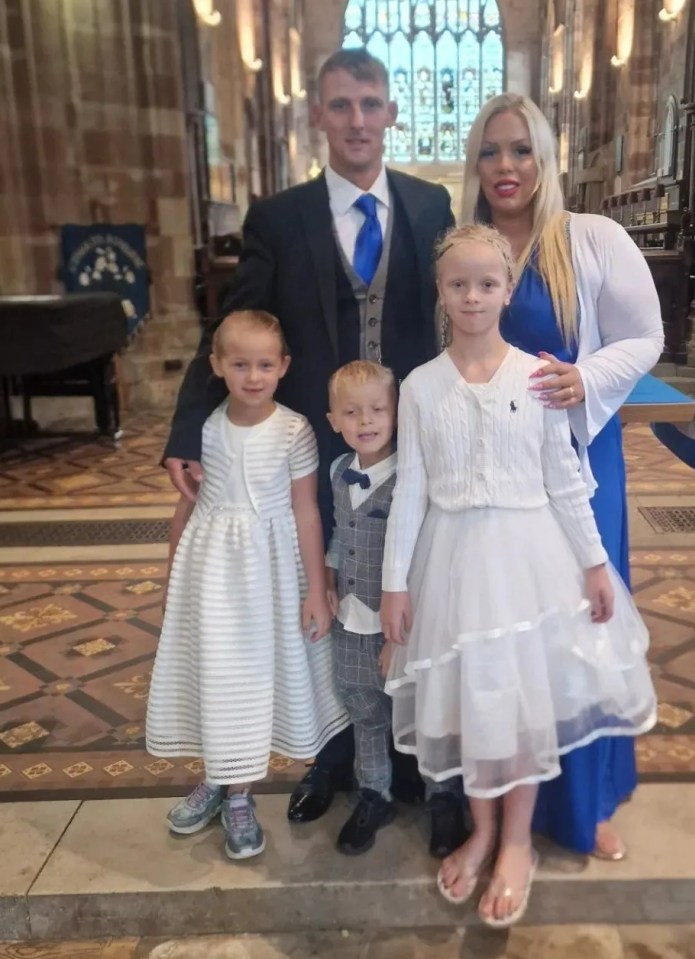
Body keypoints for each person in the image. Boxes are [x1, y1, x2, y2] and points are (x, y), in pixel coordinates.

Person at [161, 48, 464, 846]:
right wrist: (187, 428)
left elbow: (456, 316)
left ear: (390, 111)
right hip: (320, 454)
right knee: (322, 603)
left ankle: (409, 757)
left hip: (410, 450)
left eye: (369, 103)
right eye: (340, 105)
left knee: (404, 595)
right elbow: (230, 327)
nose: (357, 119)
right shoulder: (279, 216)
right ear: (318, 116)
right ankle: (333, 753)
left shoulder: (431, 205)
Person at [380, 224, 656, 927]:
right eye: (457, 283)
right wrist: (394, 583)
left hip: (529, 561)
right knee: (476, 707)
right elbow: (409, 489)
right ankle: (479, 829)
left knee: (524, 707)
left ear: (507, 290)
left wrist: (595, 563)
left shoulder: (536, 376)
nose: (472, 295)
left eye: (486, 282)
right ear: (439, 293)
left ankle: (514, 843)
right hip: (450, 563)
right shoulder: (417, 386)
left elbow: (566, 481)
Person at [460, 93, 665, 859]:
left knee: (581, 621)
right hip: (491, 478)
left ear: (546, 159)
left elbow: (645, 334)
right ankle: (494, 807)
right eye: (490, 152)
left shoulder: (588, 237)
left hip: (578, 462)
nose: (506, 167)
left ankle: (587, 799)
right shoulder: (465, 247)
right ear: (474, 165)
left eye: (520, 151)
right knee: (500, 624)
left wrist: (585, 376)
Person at [145, 310, 349, 860]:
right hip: (211, 577)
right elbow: (182, 513)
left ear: (283, 366)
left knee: (253, 682)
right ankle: (214, 780)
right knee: (215, 676)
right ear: (217, 366)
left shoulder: (293, 429)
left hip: (271, 579)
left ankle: (240, 794)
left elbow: (307, 512)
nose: (253, 376)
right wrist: (171, 583)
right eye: (240, 364)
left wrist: (314, 587)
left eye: (264, 364)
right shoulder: (205, 429)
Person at [324, 360, 401, 855]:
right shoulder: (337, 470)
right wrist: (328, 576)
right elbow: (338, 529)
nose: (366, 421)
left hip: (400, 623)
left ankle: (442, 797)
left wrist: (399, 637)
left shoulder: (412, 477)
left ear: (396, 414)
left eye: (377, 410)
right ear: (334, 420)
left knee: (417, 709)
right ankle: (374, 793)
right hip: (350, 618)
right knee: (363, 710)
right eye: (352, 412)